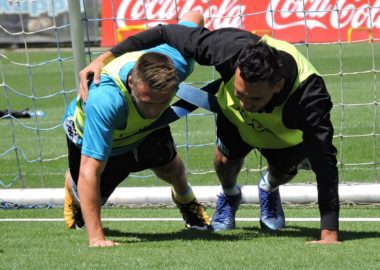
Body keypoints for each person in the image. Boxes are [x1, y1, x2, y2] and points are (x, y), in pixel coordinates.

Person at [79, 23, 340, 244]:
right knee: (225, 162)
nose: (245, 103)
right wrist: (106, 57)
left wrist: (328, 231)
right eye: (240, 92)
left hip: (284, 138)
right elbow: (165, 32)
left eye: (254, 98)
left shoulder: (310, 98)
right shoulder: (230, 49)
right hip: (235, 122)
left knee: (281, 173)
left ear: (279, 85)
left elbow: (325, 163)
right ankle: (229, 195)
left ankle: (268, 188)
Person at [63, 11, 211, 248]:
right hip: (94, 132)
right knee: (90, 193)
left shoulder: (178, 63)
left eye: (161, 102)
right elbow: (90, 171)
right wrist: (97, 239)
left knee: (171, 167)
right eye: (147, 101)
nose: (153, 110)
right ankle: (71, 185)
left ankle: (186, 200)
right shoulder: (105, 101)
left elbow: (194, 16)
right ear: (132, 81)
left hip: (141, 128)